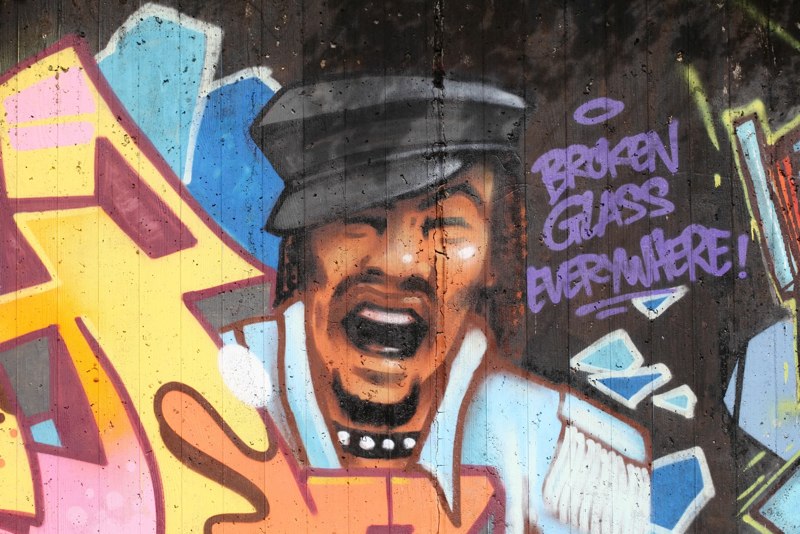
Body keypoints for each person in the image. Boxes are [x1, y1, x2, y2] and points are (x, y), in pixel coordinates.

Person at [162, 75, 653, 532]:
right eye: (357, 217)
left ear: (495, 256)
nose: (397, 262)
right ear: (305, 245)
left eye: (446, 225)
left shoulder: (566, 464)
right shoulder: (200, 403)